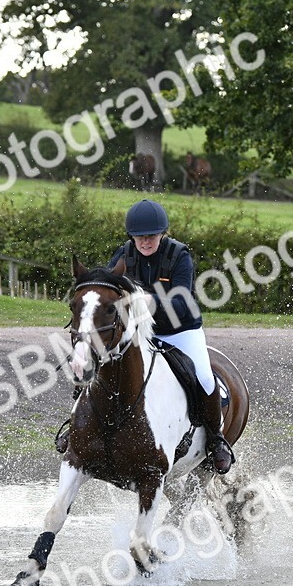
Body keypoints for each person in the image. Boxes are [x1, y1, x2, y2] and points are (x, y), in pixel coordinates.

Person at [56, 199, 235, 474]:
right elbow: (109, 292)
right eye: (140, 237)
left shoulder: (179, 256)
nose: (146, 241)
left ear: (162, 234)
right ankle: (77, 427)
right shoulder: (123, 255)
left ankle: (216, 439)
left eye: (151, 236)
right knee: (97, 361)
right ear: (132, 236)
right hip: (139, 332)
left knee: (203, 377)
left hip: (180, 331)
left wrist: (148, 301)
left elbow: (182, 302)